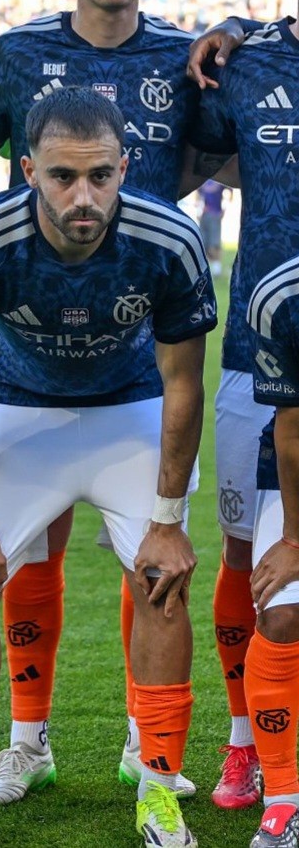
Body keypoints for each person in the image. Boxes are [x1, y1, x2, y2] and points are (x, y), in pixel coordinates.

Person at [0, 0, 213, 805]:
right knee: (27, 555)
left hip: (139, 367)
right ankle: (27, 743)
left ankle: (147, 749)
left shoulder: (189, 62)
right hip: (21, 366)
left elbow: (232, 158)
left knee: (151, 555)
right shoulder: (16, 56)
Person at [0, 86, 215, 848]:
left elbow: (185, 382)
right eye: (61, 177)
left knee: (163, 583)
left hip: (129, 413)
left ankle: (157, 787)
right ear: (28, 170)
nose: (82, 196)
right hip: (17, 413)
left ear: (126, 166)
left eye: (99, 176)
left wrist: (167, 520)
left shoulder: (170, 239)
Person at [189, 0, 299, 812]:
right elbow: (180, 153)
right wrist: (232, 28)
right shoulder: (248, 64)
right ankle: (243, 743)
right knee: (245, 559)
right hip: (256, 360)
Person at [246, 255, 299, 848]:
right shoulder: (284, 294)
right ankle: (284, 798)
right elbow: (293, 428)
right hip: (292, 483)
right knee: (281, 609)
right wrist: (294, 542)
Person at [196, 178, 231, 278]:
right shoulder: (202, 179)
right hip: (203, 215)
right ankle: (207, 270)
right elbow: (198, 194)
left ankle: (217, 270)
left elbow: (229, 192)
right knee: (203, 243)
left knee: (214, 243)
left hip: (215, 214)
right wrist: (198, 208)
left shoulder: (220, 177)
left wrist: (225, 208)